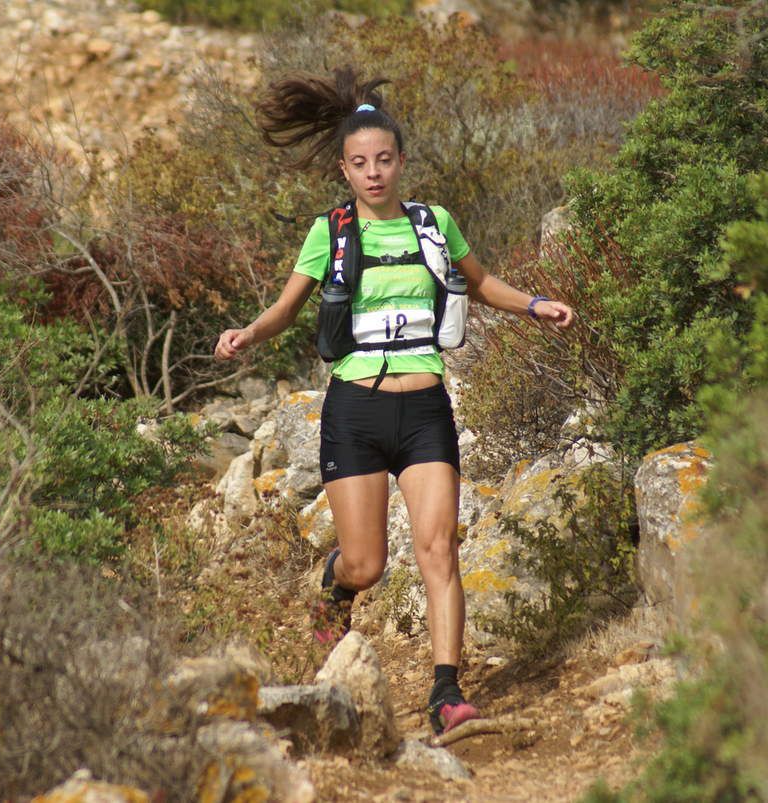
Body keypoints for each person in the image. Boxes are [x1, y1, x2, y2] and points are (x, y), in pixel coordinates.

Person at [214, 67, 574, 736]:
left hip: (426, 408)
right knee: (367, 563)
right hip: (355, 409)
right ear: (345, 172)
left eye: (384, 160)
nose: (373, 172)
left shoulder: (435, 223)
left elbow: (482, 282)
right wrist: (247, 333)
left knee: (439, 548)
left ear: (401, 161)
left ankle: (446, 692)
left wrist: (533, 304)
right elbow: (286, 308)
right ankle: (335, 587)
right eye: (360, 163)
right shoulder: (332, 232)